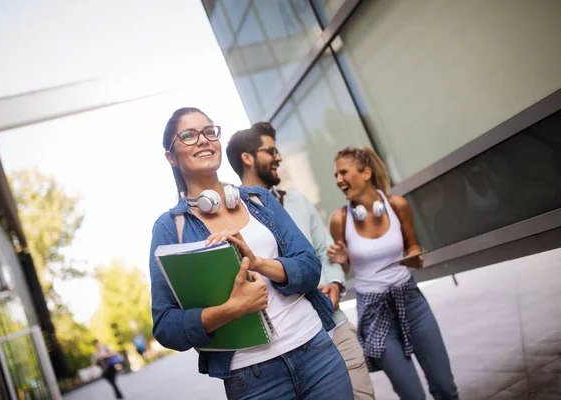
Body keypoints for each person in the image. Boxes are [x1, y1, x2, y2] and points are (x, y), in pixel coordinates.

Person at [148, 107, 353, 400]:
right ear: (171, 156)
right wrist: (233, 309)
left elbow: (309, 267)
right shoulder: (170, 228)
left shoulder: (260, 200)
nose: (203, 140)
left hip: (316, 352)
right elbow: (166, 326)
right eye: (189, 136)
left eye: (209, 132)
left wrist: (259, 263)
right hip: (251, 378)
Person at [226, 122, 375, 400]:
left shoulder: (298, 201)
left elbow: (325, 251)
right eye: (271, 150)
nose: (279, 157)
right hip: (285, 344)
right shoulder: (229, 215)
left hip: (333, 321)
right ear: (247, 157)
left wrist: (334, 285)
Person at [327, 146, 459, 400]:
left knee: (445, 387)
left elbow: (413, 245)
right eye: (336, 175)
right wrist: (342, 261)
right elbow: (343, 268)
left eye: (343, 172)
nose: (338, 180)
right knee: (412, 396)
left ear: (366, 173)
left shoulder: (397, 205)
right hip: (374, 312)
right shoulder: (340, 220)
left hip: (411, 301)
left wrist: (415, 255)